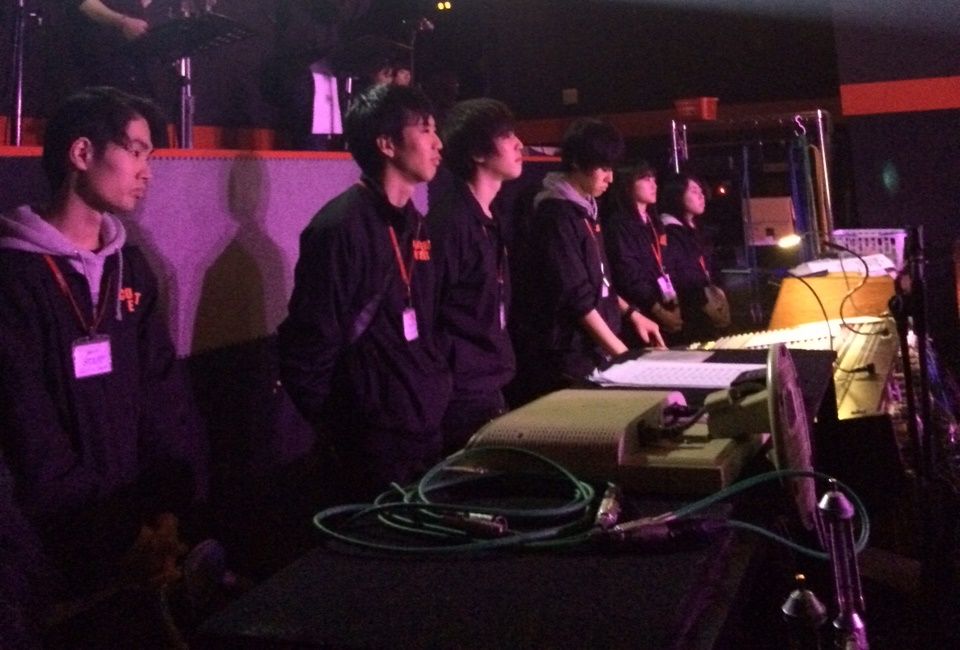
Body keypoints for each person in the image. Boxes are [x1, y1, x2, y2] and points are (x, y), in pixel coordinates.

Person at [0, 87, 207, 629]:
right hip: (50, 549)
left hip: (137, 529)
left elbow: (164, 396)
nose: (147, 172)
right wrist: (115, 533)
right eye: (135, 151)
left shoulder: (130, 267)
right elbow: (27, 428)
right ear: (81, 153)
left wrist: (166, 511)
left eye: (150, 156)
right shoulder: (14, 277)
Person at [277, 84, 451, 500]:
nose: (438, 143)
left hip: (424, 429)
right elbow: (308, 348)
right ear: (387, 144)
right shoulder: (339, 228)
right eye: (425, 130)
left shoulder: (417, 224)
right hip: (372, 447)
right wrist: (349, 429)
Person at [513, 118, 664, 401]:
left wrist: (632, 314)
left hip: (592, 350)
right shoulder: (556, 215)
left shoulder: (586, 209)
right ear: (577, 162)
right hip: (569, 358)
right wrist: (623, 356)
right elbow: (577, 297)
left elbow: (598, 281)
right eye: (603, 169)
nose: (610, 178)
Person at [428, 98, 523, 454]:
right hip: (460, 396)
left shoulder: (489, 217)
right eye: (506, 136)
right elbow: (430, 314)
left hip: (488, 385)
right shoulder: (450, 223)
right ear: (478, 153)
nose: (519, 144)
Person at [602, 161, 683, 342]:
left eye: (654, 179)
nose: (654, 185)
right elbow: (627, 273)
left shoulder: (655, 222)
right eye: (646, 179)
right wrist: (656, 308)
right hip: (638, 312)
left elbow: (665, 262)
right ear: (628, 185)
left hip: (663, 302)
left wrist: (673, 301)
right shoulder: (619, 225)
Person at [659, 172, 731, 344]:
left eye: (701, 191)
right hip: (689, 314)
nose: (701, 196)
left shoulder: (697, 230)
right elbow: (677, 275)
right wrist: (702, 300)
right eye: (693, 191)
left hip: (707, 309)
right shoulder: (668, 232)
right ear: (676, 195)